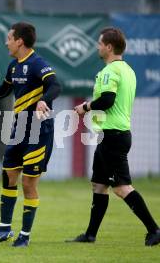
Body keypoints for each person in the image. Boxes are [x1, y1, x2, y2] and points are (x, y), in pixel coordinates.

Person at [0, 22, 61, 247]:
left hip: (39, 130)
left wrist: (43, 100)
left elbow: (55, 86)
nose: (6, 42)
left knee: (28, 183)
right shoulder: (13, 65)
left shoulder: (38, 63)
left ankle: (24, 236)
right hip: (19, 129)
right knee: (9, 176)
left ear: (19, 41)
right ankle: (4, 230)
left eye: (9, 38)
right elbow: (4, 90)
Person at [68, 27, 160, 246]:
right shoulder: (128, 70)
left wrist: (85, 107)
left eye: (100, 44)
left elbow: (107, 100)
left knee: (121, 187)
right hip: (112, 134)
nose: (98, 47)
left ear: (109, 47)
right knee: (99, 185)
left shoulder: (110, 71)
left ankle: (155, 229)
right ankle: (90, 235)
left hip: (113, 135)